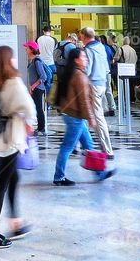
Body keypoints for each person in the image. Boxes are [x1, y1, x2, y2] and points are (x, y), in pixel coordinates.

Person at [0, 46, 35, 250]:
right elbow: (29, 108)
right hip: (9, 141)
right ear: (7, 61)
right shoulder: (13, 82)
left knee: (13, 177)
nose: (14, 61)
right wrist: (28, 124)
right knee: (1, 185)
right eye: (11, 58)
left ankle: (16, 223)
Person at [53, 47, 115, 185]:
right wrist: (91, 118)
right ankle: (59, 177)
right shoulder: (79, 75)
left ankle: (100, 173)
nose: (86, 59)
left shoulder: (72, 72)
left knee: (88, 144)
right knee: (67, 147)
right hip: (75, 117)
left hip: (73, 115)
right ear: (76, 60)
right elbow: (84, 100)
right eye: (83, 57)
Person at [79, 27, 114, 157]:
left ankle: (107, 150)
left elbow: (87, 70)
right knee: (83, 116)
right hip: (102, 83)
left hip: (93, 85)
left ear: (84, 36)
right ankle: (85, 146)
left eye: (81, 36)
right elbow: (106, 68)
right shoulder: (101, 47)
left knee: (98, 118)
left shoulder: (88, 50)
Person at [24, 41, 48, 135]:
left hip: (38, 88)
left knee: (38, 108)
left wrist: (33, 86)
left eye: (27, 48)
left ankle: (41, 128)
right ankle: (39, 127)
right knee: (36, 108)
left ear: (31, 49)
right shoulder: (33, 61)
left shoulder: (37, 61)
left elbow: (43, 76)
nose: (26, 50)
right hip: (34, 88)